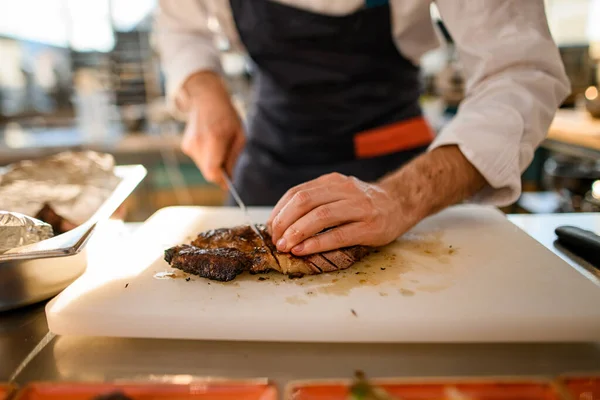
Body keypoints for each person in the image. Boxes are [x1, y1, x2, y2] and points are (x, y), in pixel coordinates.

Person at [155, 0, 570, 257]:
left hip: (397, 171)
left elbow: (519, 74)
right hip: (269, 156)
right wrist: (203, 87)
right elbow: (180, 24)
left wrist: (403, 198)